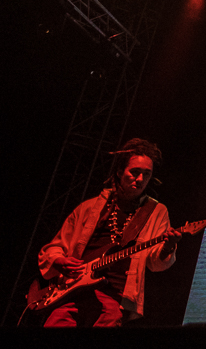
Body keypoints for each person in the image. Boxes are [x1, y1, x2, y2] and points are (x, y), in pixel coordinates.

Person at [37, 138, 181, 326]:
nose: (140, 179)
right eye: (134, 172)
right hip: (71, 292)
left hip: (114, 297)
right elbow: (54, 248)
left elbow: (155, 262)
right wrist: (60, 261)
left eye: (146, 174)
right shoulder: (89, 208)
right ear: (120, 171)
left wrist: (168, 247)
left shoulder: (155, 211)